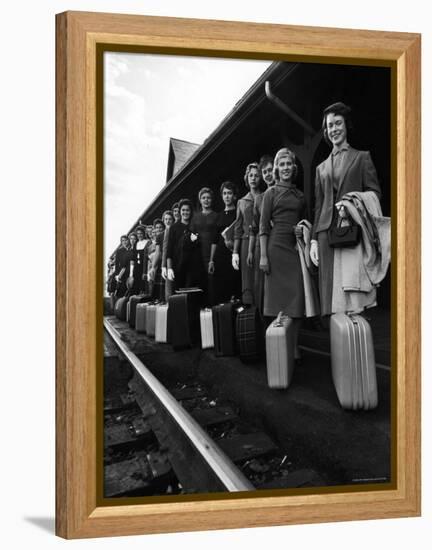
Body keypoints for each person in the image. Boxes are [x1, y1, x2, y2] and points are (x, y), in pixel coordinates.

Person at [309, 102, 381, 315]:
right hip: (325, 236)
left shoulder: (362, 158)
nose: (334, 129)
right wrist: (313, 239)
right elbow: (318, 206)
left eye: (338, 123)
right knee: (332, 301)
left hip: (352, 232)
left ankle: (356, 343)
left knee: (354, 297)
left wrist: (353, 203)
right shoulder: (320, 168)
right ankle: (339, 344)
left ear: (346, 125)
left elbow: (375, 194)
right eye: (330, 125)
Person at [259, 148, 306, 359]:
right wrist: (263, 256)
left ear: (293, 167)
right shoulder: (270, 193)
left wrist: (301, 230)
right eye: (282, 164)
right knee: (277, 302)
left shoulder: (300, 195)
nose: (286, 168)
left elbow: (306, 222)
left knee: (296, 299)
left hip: (294, 250)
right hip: (275, 249)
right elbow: (262, 227)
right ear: (277, 168)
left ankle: (294, 346)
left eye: (289, 164)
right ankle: (278, 346)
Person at [232, 162, 263, 305]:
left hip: (262, 241)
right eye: (251, 175)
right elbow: (238, 228)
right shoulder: (241, 202)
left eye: (256, 175)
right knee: (248, 280)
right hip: (245, 243)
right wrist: (235, 252)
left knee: (261, 278)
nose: (253, 178)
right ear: (247, 178)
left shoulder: (265, 197)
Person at [248, 154, 275, 313]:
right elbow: (253, 227)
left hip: (280, 244)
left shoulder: (283, 191)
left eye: (271, 170)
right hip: (263, 246)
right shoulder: (259, 199)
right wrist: (251, 251)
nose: (268, 174)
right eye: (265, 172)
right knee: (262, 287)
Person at [212, 181, 242, 304]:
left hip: (233, 253)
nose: (227, 196)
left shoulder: (238, 213)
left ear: (234, 196)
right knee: (221, 289)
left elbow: (240, 231)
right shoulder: (218, 216)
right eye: (224, 193)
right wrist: (211, 260)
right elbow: (214, 240)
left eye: (229, 193)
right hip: (220, 255)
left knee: (234, 286)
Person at [190, 187, 219, 305]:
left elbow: (217, 237)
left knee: (212, 283)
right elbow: (191, 235)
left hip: (212, 252)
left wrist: (213, 258)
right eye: (203, 198)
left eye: (208, 198)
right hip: (198, 253)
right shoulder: (195, 217)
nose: (206, 200)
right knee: (200, 282)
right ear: (200, 200)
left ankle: (212, 310)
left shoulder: (216, 216)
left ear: (211, 200)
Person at [166, 199, 199, 290]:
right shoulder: (174, 227)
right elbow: (169, 249)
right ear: (180, 211)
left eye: (187, 210)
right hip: (178, 265)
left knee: (191, 292)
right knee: (178, 294)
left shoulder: (194, 226)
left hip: (192, 266)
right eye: (183, 210)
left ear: (191, 211)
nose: (185, 212)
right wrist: (169, 268)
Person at [158, 210, 175, 301]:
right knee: (168, 288)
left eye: (170, 219)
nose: (168, 221)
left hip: (176, 260)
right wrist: (163, 266)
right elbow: (164, 250)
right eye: (166, 219)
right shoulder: (163, 234)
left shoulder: (175, 230)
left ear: (173, 220)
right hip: (168, 262)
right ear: (163, 221)